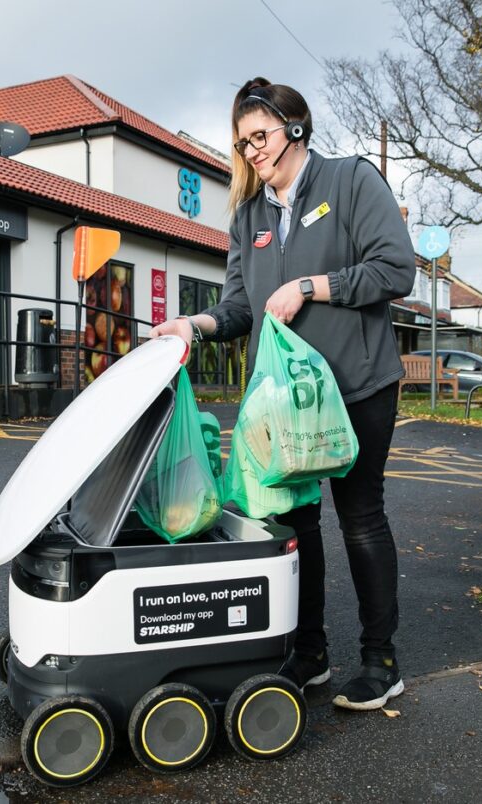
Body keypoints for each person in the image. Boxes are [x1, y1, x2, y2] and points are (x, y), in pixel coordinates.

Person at [150, 78, 415, 711]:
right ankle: (310, 653)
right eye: (242, 144)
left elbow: (395, 268)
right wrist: (195, 325)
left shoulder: (350, 181)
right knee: (294, 522)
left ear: (295, 128)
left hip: (356, 386)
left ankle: (381, 661)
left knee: (360, 516)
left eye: (260, 136)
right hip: (284, 404)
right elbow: (240, 305)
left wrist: (313, 286)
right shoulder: (249, 216)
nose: (251, 152)